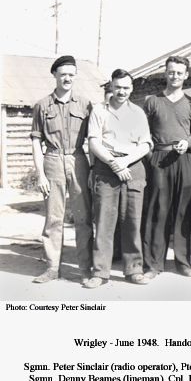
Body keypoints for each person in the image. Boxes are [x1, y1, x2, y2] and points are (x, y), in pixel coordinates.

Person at [85, 69, 153, 288]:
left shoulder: (138, 112)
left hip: (133, 168)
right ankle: (100, 272)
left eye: (126, 87)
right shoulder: (99, 111)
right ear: (111, 87)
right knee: (104, 222)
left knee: (132, 221)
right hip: (107, 169)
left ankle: (134, 269)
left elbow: (145, 144)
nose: (122, 91)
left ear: (131, 89)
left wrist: (125, 162)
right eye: (117, 87)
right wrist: (113, 163)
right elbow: (94, 141)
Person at [31, 55, 93, 284]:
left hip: (78, 160)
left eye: (71, 74)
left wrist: (93, 169)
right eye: (63, 73)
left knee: (84, 217)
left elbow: (93, 140)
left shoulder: (86, 105)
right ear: (55, 75)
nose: (67, 78)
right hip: (52, 160)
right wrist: (40, 174)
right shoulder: (42, 105)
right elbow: (36, 141)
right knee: (53, 218)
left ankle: (86, 268)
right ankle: (52, 268)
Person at [143, 56, 191, 279]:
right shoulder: (152, 101)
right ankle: (153, 264)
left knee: (183, 211)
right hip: (159, 159)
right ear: (165, 73)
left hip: (184, 160)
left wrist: (188, 142)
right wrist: (151, 157)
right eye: (171, 72)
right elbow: (143, 134)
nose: (175, 76)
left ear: (186, 75)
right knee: (158, 211)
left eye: (179, 73)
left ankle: (183, 262)